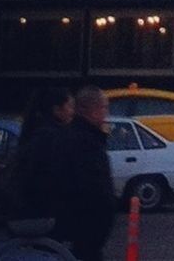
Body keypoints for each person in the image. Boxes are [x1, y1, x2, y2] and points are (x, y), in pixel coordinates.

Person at [53, 86, 116, 261]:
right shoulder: (87, 142)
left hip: (79, 225)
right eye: (104, 107)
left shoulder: (71, 136)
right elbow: (93, 186)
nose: (106, 113)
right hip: (85, 226)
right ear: (92, 110)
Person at [11, 85, 76, 225]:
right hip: (44, 214)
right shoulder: (53, 137)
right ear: (57, 110)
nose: (73, 112)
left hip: (30, 210)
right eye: (70, 106)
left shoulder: (35, 132)